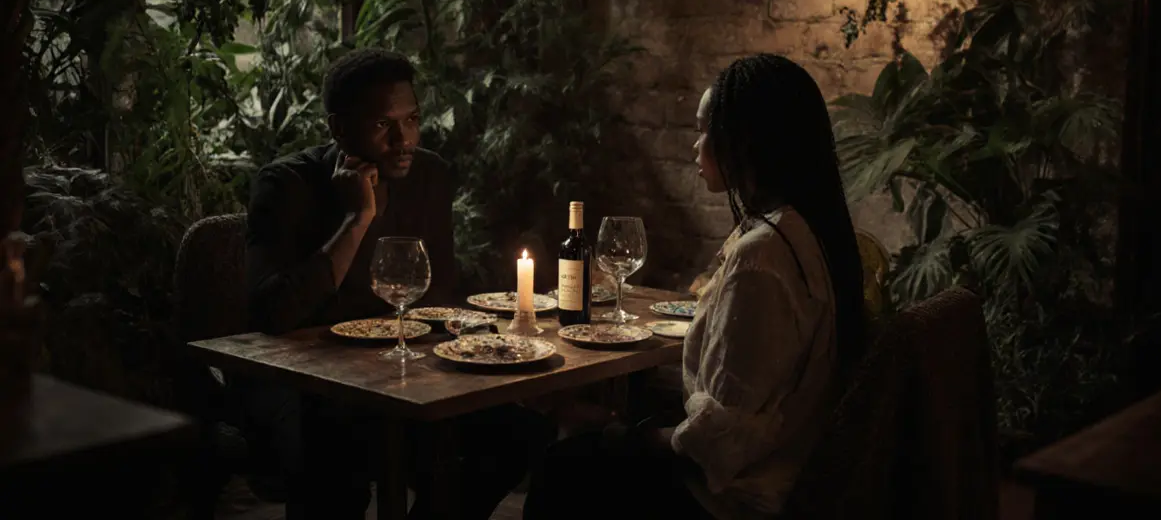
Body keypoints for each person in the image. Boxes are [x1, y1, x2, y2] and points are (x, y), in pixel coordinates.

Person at [524, 54, 866, 520]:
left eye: (705, 130)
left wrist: (616, 431)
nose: (695, 146)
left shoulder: (763, 254)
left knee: (562, 468)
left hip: (733, 498)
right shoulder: (804, 230)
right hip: (783, 470)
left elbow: (719, 438)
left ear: (746, 142)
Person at [238, 48, 553, 520]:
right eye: (384, 125)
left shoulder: (429, 174)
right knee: (331, 454)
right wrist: (358, 218)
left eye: (412, 120)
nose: (403, 140)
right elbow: (272, 315)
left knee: (516, 434)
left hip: (401, 373)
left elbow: (439, 292)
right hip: (308, 381)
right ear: (338, 128)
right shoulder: (286, 185)